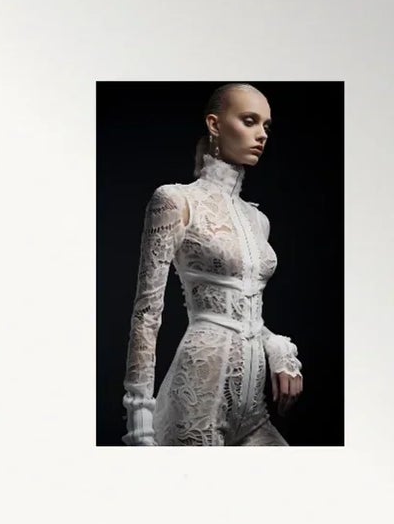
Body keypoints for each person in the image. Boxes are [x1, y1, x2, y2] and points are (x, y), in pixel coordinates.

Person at [121, 83, 305, 446]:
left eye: (266, 126)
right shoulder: (175, 200)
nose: (260, 135)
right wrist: (138, 421)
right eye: (249, 121)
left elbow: (244, 313)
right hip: (197, 397)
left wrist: (278, 348)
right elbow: (147, 314)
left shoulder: (258, 220)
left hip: (253, 409)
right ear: (215, 124)